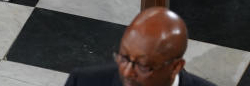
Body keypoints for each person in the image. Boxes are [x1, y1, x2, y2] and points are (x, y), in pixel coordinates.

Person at [64, 7, 217, 86]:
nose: (127, 72)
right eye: (123, 58)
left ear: (176, 66)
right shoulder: (84, 82)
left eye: (143, 66)